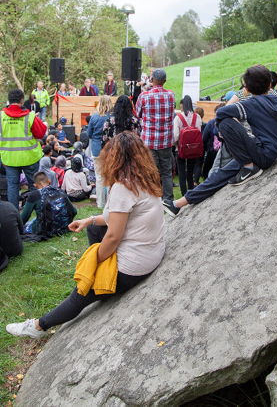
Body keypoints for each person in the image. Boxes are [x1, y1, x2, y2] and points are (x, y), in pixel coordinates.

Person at [6, 132, 165, 339]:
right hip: (151, 251)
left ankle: (38, 326)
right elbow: (115, 218)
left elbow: (113, 237)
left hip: (134, 266)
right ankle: (102, 282)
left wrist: (95, 262)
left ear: (114, 158)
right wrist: (88, 220)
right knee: (92, 228)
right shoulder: (144, 178)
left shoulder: (123, 187)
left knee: (81, 290)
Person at [162, 65, 277, 218]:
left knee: (224, 122)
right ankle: (178, 204)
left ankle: (249, 168)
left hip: (261, 155)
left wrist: (224, 130)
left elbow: (221, 112)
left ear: (245, 89)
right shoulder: (275, 100)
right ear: (270, 85)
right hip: (265, 151)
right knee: (220, 175)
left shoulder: (252, 104)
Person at [0, 89, 46, 210]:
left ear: (9, 101)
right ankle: (39, 212)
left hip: (10, 159)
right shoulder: (30, 116)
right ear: (22, 100)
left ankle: (13, 213)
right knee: (34, 185)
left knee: (13, 186)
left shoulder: (1, 116)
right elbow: (41, 133)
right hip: (29, 157)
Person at [136, 68, 176, 202]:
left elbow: (138, 114)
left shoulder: (144, 96)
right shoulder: (171, 95)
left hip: (149, 141)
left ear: (151, 80)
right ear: (164, 81)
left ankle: (153, 199)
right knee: (166, 171)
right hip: (166, 141)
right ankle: (168, 199)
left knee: (151, 171)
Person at [87, 95, 113, 208]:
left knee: (99, 177)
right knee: (111, 176)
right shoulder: (112, 117)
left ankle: (100, 204)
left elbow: (88, 134)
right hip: (109, 149)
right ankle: (110, 203)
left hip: (97, 149)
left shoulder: (94, 117)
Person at [173, 96, 202, 196]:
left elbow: (176, 135)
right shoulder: (196, 117)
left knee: (181, 173)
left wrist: (174, 145)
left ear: (182, 104)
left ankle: (184, 194)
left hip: (180, 149)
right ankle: (191, 192)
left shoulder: (178, 117)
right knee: (190, 172)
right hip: (193, 148)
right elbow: (199, 131)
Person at [202, 104, 225, 179]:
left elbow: (204, 137)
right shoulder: (228, 123)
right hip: (224, 151)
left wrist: (206, 148)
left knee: (207, 172)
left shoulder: (212, 123)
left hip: (212, 151)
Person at [193, 107, 207, 185]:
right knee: (199, 164)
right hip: (201, 146)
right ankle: (196, 181)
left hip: (192, 146)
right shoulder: (204, 124)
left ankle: (193, 178)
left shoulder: (192, 124)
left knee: (194, 163)